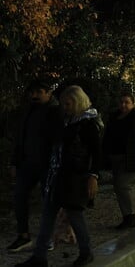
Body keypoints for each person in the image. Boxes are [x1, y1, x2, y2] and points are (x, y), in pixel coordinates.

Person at [16, 85, 102, 267]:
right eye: (63, 103)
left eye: (68, 103)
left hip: (74, 178)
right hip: (58, 175)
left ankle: (86, 252)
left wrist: (93, 176)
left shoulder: (87, 124)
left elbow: (97, 152)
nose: (65, 106)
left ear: (77, 102)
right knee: (48, 215)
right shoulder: (66, 121)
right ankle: (40, 257)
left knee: (74, 216)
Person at [7, 79, 61, 253]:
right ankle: (23, 235)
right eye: (32, 92)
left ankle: (47, 237)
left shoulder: (55, 112)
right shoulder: (29, 111)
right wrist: (15, 161)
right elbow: (20, 138)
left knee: (48, 201)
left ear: (48, 92)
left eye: (39, 92)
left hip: (47, 164)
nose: (34, 95)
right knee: (20, 196)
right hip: (27, 162)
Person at [102, 92, 135, 229]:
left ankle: (129, 216)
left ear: (133, 104)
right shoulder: (114, 117)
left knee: (120, 185)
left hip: (129, 157)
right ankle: (128, 216)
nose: (123, 105)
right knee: (118, 186)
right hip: (114, 156)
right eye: (121, 102)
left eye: (127, 102)